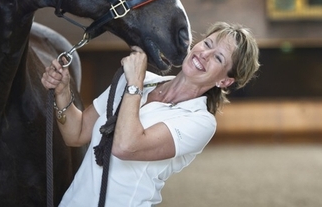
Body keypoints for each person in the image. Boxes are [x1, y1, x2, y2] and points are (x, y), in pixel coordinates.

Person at [41, 22, 260, 206]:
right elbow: (76, 133)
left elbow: (125, 147)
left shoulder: (201, 122)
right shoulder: (140, 80)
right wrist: (62, 91)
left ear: (224, 81)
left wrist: (134, 84)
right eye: (207, 44)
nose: (205, 55)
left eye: (219, 58)